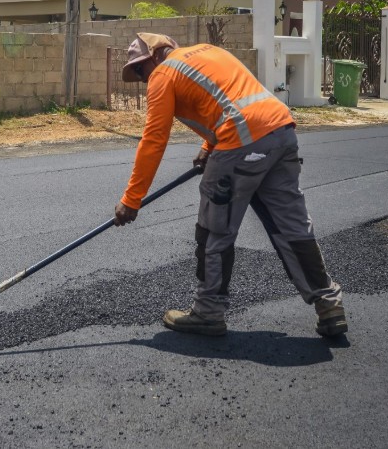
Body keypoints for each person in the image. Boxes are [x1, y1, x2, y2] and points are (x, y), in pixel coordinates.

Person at [113, 32, 346, 338]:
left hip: (242, 142)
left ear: (157, 55)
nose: (144, 78)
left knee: (215, 230)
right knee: (293, 227)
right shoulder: (209, 51)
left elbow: (154, 139)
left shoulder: (164, 73)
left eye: (142, 69)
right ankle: (328, 304)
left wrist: (131, 200)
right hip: (281, 131)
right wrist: (209, 148)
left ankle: (208, 312)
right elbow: (230, 99)